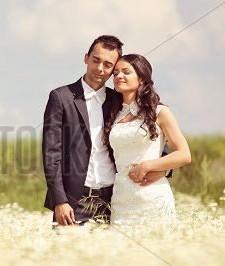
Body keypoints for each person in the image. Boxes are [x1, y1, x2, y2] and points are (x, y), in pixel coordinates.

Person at [42, 35, 171, 226]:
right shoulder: (60, 97)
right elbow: (51, 154)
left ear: (113, 70)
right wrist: (59, 201)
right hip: (73, 201)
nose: (100, 69)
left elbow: (154, 131)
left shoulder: (118, 99)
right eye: (96, 60)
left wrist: (164, 169)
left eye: (108, 65)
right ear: (86, 57)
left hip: (115, 199)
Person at [105, 54, 191, 224]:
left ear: (142, 79)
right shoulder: (113, 115)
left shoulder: (160, 112)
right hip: (120, 197)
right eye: (115, 73)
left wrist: (148, 166)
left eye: (126, 72)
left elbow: (184, 154)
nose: (119, 76)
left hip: (152, 195)